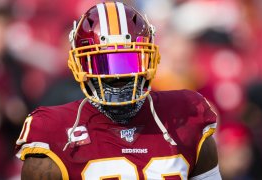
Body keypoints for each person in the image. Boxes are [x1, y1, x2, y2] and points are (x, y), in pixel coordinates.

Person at [15, 1, 221, 179]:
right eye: (102, 64)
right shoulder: (54, 129)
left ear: (149, 60)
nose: (117, 76)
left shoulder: (186, 114)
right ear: (79, 66)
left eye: (127, 61)